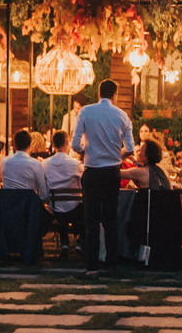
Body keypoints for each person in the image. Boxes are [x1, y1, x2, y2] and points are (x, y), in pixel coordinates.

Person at [71, 78, 136, 278]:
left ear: (99, 94)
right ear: (115, 95)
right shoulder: (122, 116)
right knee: (110, 219)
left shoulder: (86, 112)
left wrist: (86, 151)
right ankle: (111, 265)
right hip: (112, 172)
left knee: (91, 220)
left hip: (92, 170)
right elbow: (132, 148)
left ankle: (91, 266)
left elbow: (74, 144)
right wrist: (118, 155)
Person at [0, 129, 50, 201]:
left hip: (8, 207)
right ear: (30, 145)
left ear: (14, 145)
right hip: (28, 208)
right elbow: (44, 195)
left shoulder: (4, 162)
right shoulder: (36, 164)